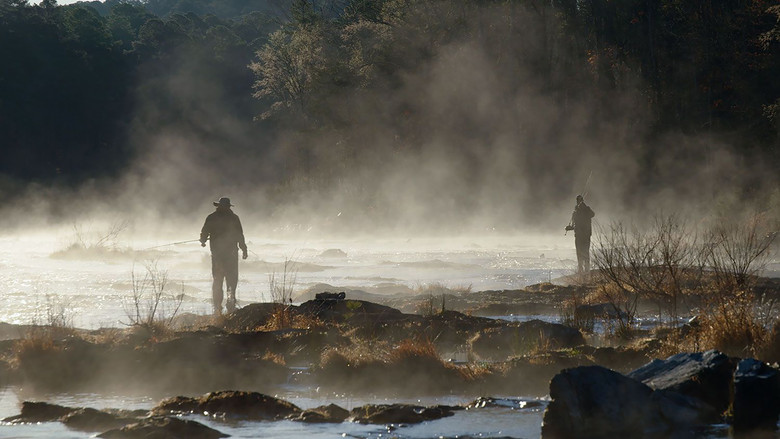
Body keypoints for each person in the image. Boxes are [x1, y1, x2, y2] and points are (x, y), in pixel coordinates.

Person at [200, 197, 248, 314]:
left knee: (218, 280)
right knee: (231, 280)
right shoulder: (234, 218)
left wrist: (203, 240)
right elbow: (239, 235)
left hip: (217, 254)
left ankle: (218, 307)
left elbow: (205, 231)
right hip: (231, 255)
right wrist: (244, 249)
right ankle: (230, 306)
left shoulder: (211, 217)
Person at [565, 195, 595, 278]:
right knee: (579, 253)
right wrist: (568, 228)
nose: (578, 202)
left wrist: (584, 207)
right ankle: (580, 270)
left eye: (580, 201)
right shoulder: (575, 212)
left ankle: (587, 270)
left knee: (585, 252)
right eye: (577, 201)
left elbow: (593, 214)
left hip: (586, 235)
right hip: (578, 235)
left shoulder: (587, 210)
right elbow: (573, 225)